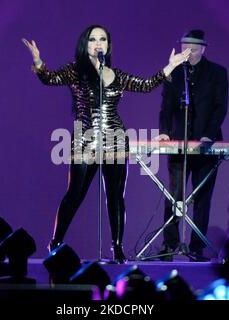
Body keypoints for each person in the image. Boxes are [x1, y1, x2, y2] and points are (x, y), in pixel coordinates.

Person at [22, 25, 191, 263]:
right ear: (85, 44)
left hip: (115, 140)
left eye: (103, 39)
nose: (98, 43)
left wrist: (171, 65)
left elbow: (146, 85)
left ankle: (118, 247)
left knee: (115, 196)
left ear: (108, 46)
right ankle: (56, 242)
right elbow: (50, 79)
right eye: (93, 39)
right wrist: (39, 61)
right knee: (75, 194)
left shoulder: (117, 75)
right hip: (85, 139)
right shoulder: (75, 71)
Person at [155, 29, 228, 261]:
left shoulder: (217, 72)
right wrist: (165, 132)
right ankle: (170, 244)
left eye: (194, 49)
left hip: (205, 143)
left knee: (202, 196)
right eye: (186, 48)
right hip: (179, 140)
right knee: (174, 194)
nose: (190, 53)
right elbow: (165, 106)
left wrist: (208, 134)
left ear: (203, 49)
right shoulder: (174, 72)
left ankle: (197, 247)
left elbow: (220, 107)